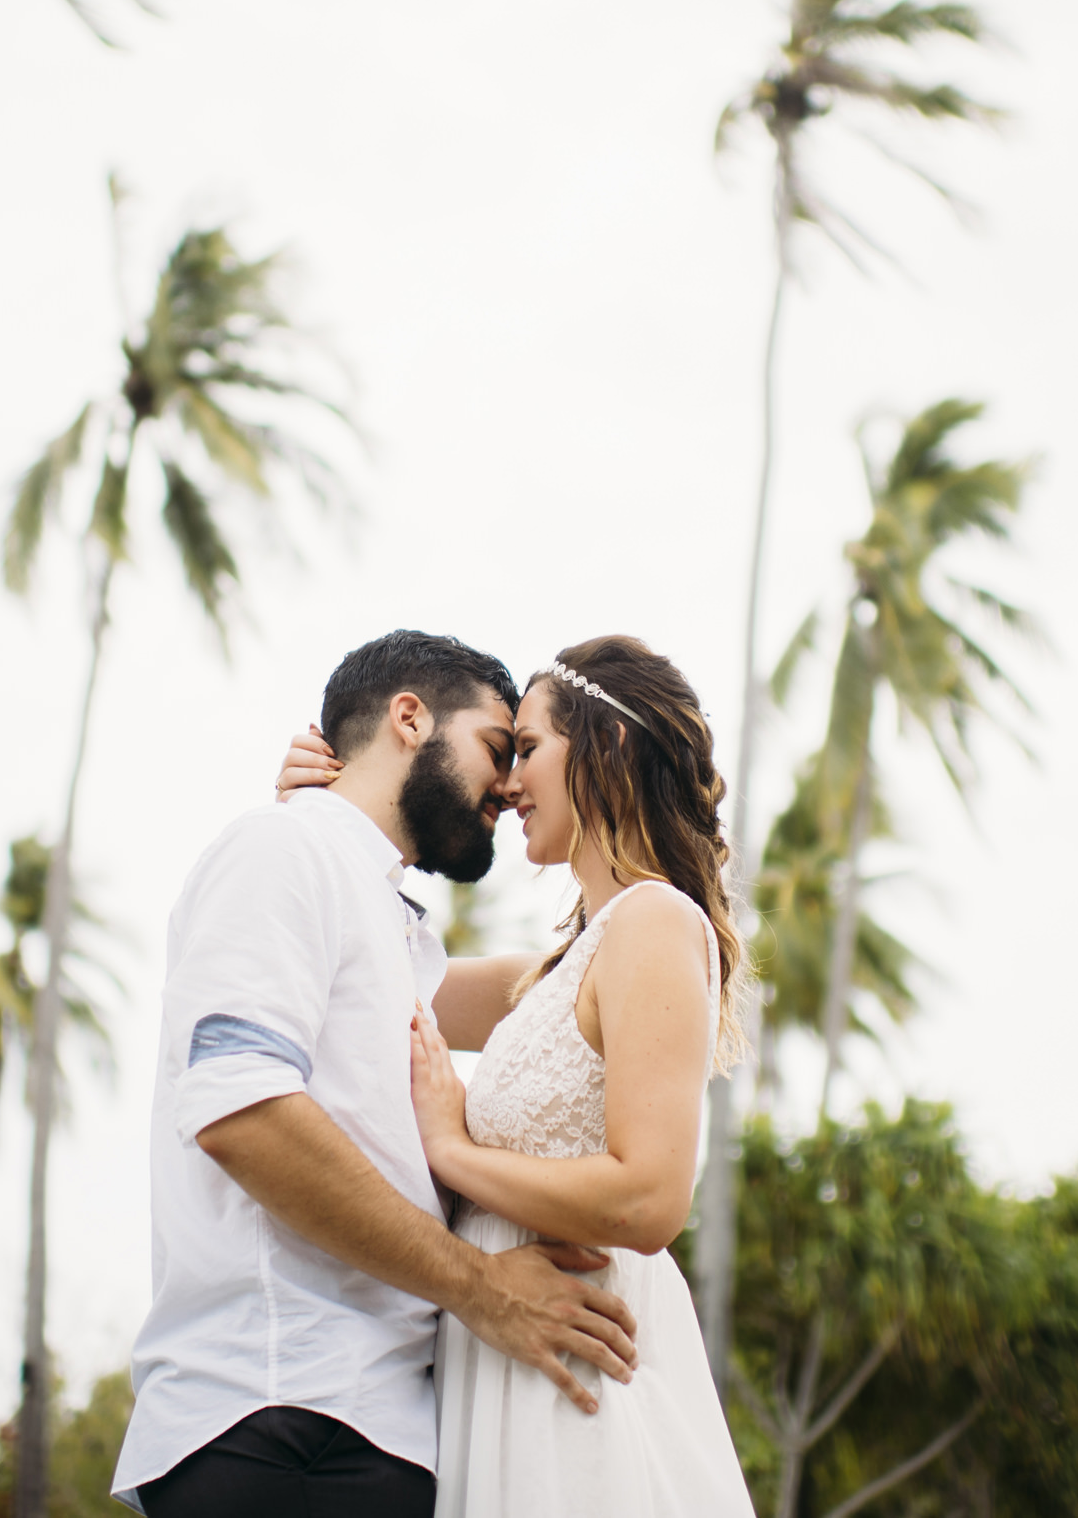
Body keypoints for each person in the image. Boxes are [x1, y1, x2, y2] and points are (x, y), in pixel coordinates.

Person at [114, 630, 643, 1518]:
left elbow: (554, 993)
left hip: (367, 1429)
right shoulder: (282, 851)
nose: (509, 785)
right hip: (281, 1413)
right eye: (497, 748)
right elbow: (242, 1111)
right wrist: (480, 1290)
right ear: (410, 718)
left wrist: (650, 895)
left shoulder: (384, 913)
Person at [278, 634, 757, 1517]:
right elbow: (368, 973)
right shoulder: (547, 975)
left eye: (527, 748)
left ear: (605, 747)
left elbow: (651, 1199)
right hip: (498, 1368)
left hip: (577, 1380)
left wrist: (452, 1152)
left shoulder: (654, 921)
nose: (504, 783)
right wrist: (327, 814)